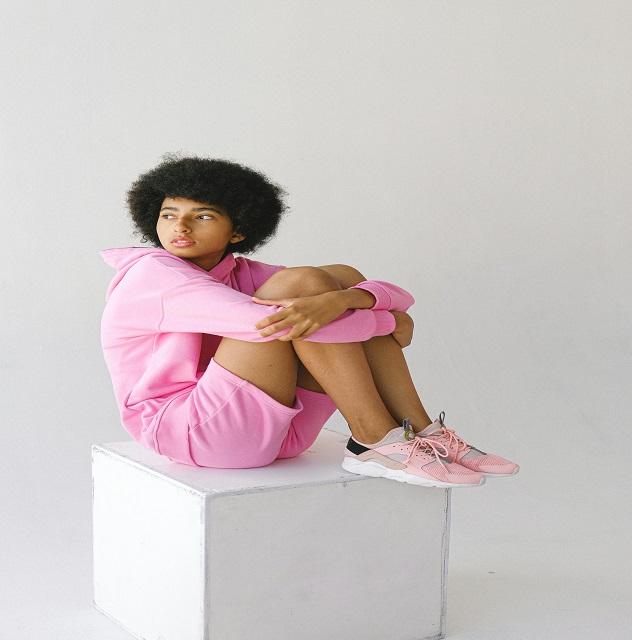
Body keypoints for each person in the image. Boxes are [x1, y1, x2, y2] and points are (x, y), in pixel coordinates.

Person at [99, 152, 519, 488]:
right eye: (169, 214)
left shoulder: (240, 272)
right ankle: (372, 437)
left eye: (202, 215)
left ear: (238, 231)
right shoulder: (152, 274)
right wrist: (387, 322)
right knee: (303, 288)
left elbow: (383, 292)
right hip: (193, 433)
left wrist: (353, 297)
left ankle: (422, 432)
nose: (181, 227)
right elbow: (275, 324)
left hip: (285, 431)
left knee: (336, 276)